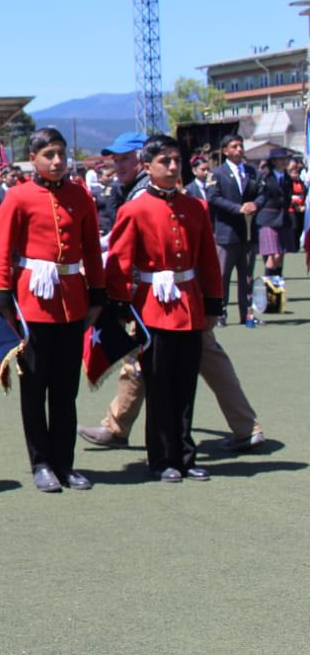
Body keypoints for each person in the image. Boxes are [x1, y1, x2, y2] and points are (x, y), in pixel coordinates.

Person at [78, 132, 266, 454]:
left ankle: (237, 429)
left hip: (171, 298)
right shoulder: (135, 193)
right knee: (146, 362)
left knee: (179, 361)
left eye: (124, 158)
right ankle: (119, 425)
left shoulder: (149, 195)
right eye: (114, 159)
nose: (117, 165)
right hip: (158, 297)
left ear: (142, 160)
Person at [0, 128, 105, 492]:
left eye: (61, 154)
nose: (57, 161)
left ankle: (65, 463)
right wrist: (3, 293)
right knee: (34, 389)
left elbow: (90, 248)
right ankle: (40, 463)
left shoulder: (80, 196)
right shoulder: (18, 197)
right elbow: (2, 247)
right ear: (34, 159)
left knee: (65, 390)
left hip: (71, 303)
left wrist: (98, 293)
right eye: (48, 155)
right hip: (32, 306)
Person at [105, 135, 223, 481]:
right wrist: (123, 307)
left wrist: (213, 302)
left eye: (176, 161)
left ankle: (185, 455)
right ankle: (161, 459)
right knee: (158, 387)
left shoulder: (195, 207)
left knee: (186, 386)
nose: (173, 168)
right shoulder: (135, 209)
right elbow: (119, 262)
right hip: (152, 308)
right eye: (164, 162)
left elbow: (207, 261)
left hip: (188, 304)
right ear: (147, 167)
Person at [206, 134, 260, 326]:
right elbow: (213, 197)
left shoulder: (252, 172)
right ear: (225, 151)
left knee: (246, 276)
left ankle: (247, 313)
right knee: (223, 275)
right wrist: (237, 208)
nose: (239, 149)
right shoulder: (217, 173)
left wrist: (254, 204)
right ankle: (220, 313)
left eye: (241, 145)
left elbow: (262, 194)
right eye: (234, 146)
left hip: (248, 233)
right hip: (227, 233)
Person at [254, 147, 293, 290]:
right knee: (274, 256)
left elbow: (287, 198)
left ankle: (277, 288)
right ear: (274, 161)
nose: (285, 161)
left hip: (283, 219)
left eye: (286, 159)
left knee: (281, 256)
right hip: (268, 218)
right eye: (282, 159)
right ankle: (268, 289)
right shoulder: (266, 177)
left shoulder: (287, 178)